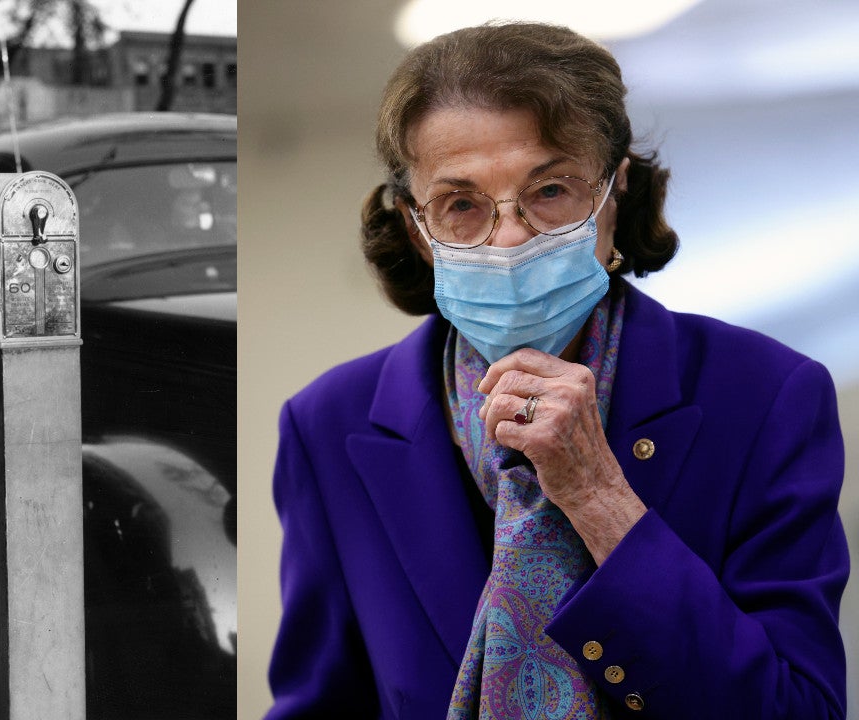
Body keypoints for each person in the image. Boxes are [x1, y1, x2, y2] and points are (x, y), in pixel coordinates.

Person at [267, 22, 848, 719]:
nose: (508, 237)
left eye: (550, 191)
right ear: (416, 229)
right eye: (461, 205)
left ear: (616, 193)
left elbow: (797, 708)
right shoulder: (326, 424)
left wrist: (602, 498)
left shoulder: (764, 396)